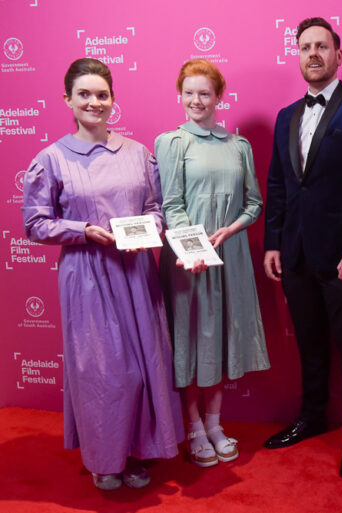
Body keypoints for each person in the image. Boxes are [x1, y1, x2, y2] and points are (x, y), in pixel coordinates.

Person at [21, 58, 183, 490]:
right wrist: (82, 231)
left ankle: (135, 450)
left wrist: (150, 229)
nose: (94, 102)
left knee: (144, 365)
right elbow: (35, 223)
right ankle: (104, 459)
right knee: (104, 372)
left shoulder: (137, 153)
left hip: (136, 271)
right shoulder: (51, 159)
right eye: (84, 94)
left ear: (113, 99)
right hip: (87, 275)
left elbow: (155, 208)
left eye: (102, 94)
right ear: (67, 100)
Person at [263, 17, 342, 479]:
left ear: (338, 54)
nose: (313, 54)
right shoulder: (285, 116)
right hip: (295, 253)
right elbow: (279, 183)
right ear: (297, 55)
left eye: (321, 46)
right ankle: (311, 416)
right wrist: (273, 242)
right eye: (305, 47)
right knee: (309, 343)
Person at [156, 59, 270, 467]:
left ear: (219, 96)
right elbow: (171, 204)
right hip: (189, 260)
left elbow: (254, 204)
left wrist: (232, 229)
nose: (196, 101)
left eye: (204, 93)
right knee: (190, 338)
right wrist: (194, 250)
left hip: (231, 256)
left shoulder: (239, 146)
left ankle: (215, 424)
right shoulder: (172, 142)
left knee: (220, 338)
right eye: (189, 93)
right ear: (180, 95)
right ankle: (193, 428)